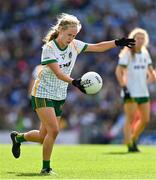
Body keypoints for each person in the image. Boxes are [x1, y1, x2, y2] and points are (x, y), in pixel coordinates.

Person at [10, 13, 135, 175]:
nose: (71, 38)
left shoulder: (75, 45)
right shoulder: (49, 49)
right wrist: (75, 82)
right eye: (69, 34)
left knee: (43, 136)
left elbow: (97, 47)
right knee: (54, 131)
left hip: (59, 95)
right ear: (60, 30)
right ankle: (46, 168)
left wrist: (117, 42)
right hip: (42, 93)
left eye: (74, 35)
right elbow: (58, 73)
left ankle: (18, 138)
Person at [115, 27, 156, 153]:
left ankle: (133, 138)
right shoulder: (127, 53)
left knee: (145, 119)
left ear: (145, 40)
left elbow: (151, 74)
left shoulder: (145, 53)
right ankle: (129, 145)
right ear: (133, 39)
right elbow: (118, 71)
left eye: (142, 38)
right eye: (138, 38)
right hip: (130, 91)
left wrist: (151, 78)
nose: (140, 40)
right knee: (130, 118)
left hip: (143, 91)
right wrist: (124, 86)